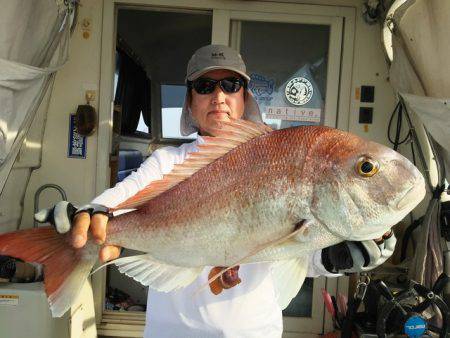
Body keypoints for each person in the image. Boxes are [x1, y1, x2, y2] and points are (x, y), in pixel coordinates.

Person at [36, 44, 396, 337]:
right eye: (205, 87)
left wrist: (333, 260)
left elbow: (298, 251)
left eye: (231, 86)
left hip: (255, 331)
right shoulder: (168, 161)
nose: (219, 96)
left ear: (244, 98)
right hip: (172, 332)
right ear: (190, 102)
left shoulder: (275, 154)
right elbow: (123, 197)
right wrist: (89, 214)